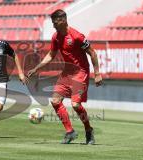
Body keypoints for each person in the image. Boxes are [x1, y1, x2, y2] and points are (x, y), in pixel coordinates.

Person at [28, 9, 103, 144]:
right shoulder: (56, 37)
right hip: (66, 73)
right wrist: (36, 68)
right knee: (55, 101)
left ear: (63, 20)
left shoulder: (77, 36)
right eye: (53, 23)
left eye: (55, 22)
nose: (53, 25)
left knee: (75, 105)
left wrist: (97, 73)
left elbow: (93, 53)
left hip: (80, 72)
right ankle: (70, 132)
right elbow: (51, 54)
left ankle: (88, 130)